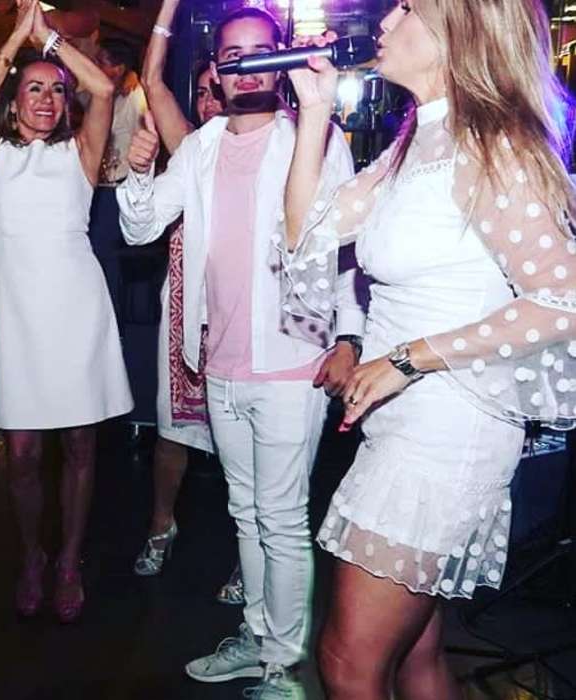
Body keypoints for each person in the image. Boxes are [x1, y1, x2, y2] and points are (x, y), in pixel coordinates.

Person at [282, 1, 576, 698]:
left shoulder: (494, 145)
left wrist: (409, 358)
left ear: (459, 30)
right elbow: (304, 234)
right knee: (417, 655)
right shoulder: (417, 140)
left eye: (409, 7)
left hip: (447, 432)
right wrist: (314, 113)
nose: (385, 21)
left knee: (348, 663)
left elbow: (563, 299)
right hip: (406, 425)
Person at [117, 7, 366, 697]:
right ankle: (259, 640)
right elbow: (141, 228)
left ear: (280, 62)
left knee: (281, 519)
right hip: (220, 362)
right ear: (218, 71)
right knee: (246, 512)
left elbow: (347, 248)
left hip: (291, 361)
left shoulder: (312, 136)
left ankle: (284, 666)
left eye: (262, 52)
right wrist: (136, 173)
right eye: (234, 55)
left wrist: (350, 336)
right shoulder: (200, 147)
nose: (248, 66)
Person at [0, 0, 132, 623]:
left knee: (82, 447)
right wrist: (18, 38)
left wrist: (54, 44)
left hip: (78, 313)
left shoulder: (79, 155)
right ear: (14, 102)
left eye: (56, 91)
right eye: (33, 89)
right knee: (24, 454)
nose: (46, 98)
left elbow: (104, 90)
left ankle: (67, 559)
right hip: (20, 322)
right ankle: (32, 554)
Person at [130, 0, 233, 602]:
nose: (212, 101)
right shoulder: (191, 149)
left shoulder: (278, 146)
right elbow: (150, 78)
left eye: (220, 90)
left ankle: (249, 555)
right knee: (174, 432)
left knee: (245, 451)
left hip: (239, 317)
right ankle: (160, 526)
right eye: (203, 93)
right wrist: (169, 5)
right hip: (185, 314)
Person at [88, 36, 148, 312]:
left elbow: (145, 138)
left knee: (106, 258)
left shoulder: (135, 96)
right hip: (102, 186)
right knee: (98, 257)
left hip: (118, 187)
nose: (96, 66)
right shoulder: (108, 95)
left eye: (102, 62)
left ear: (119, 67)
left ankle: (113, 321)